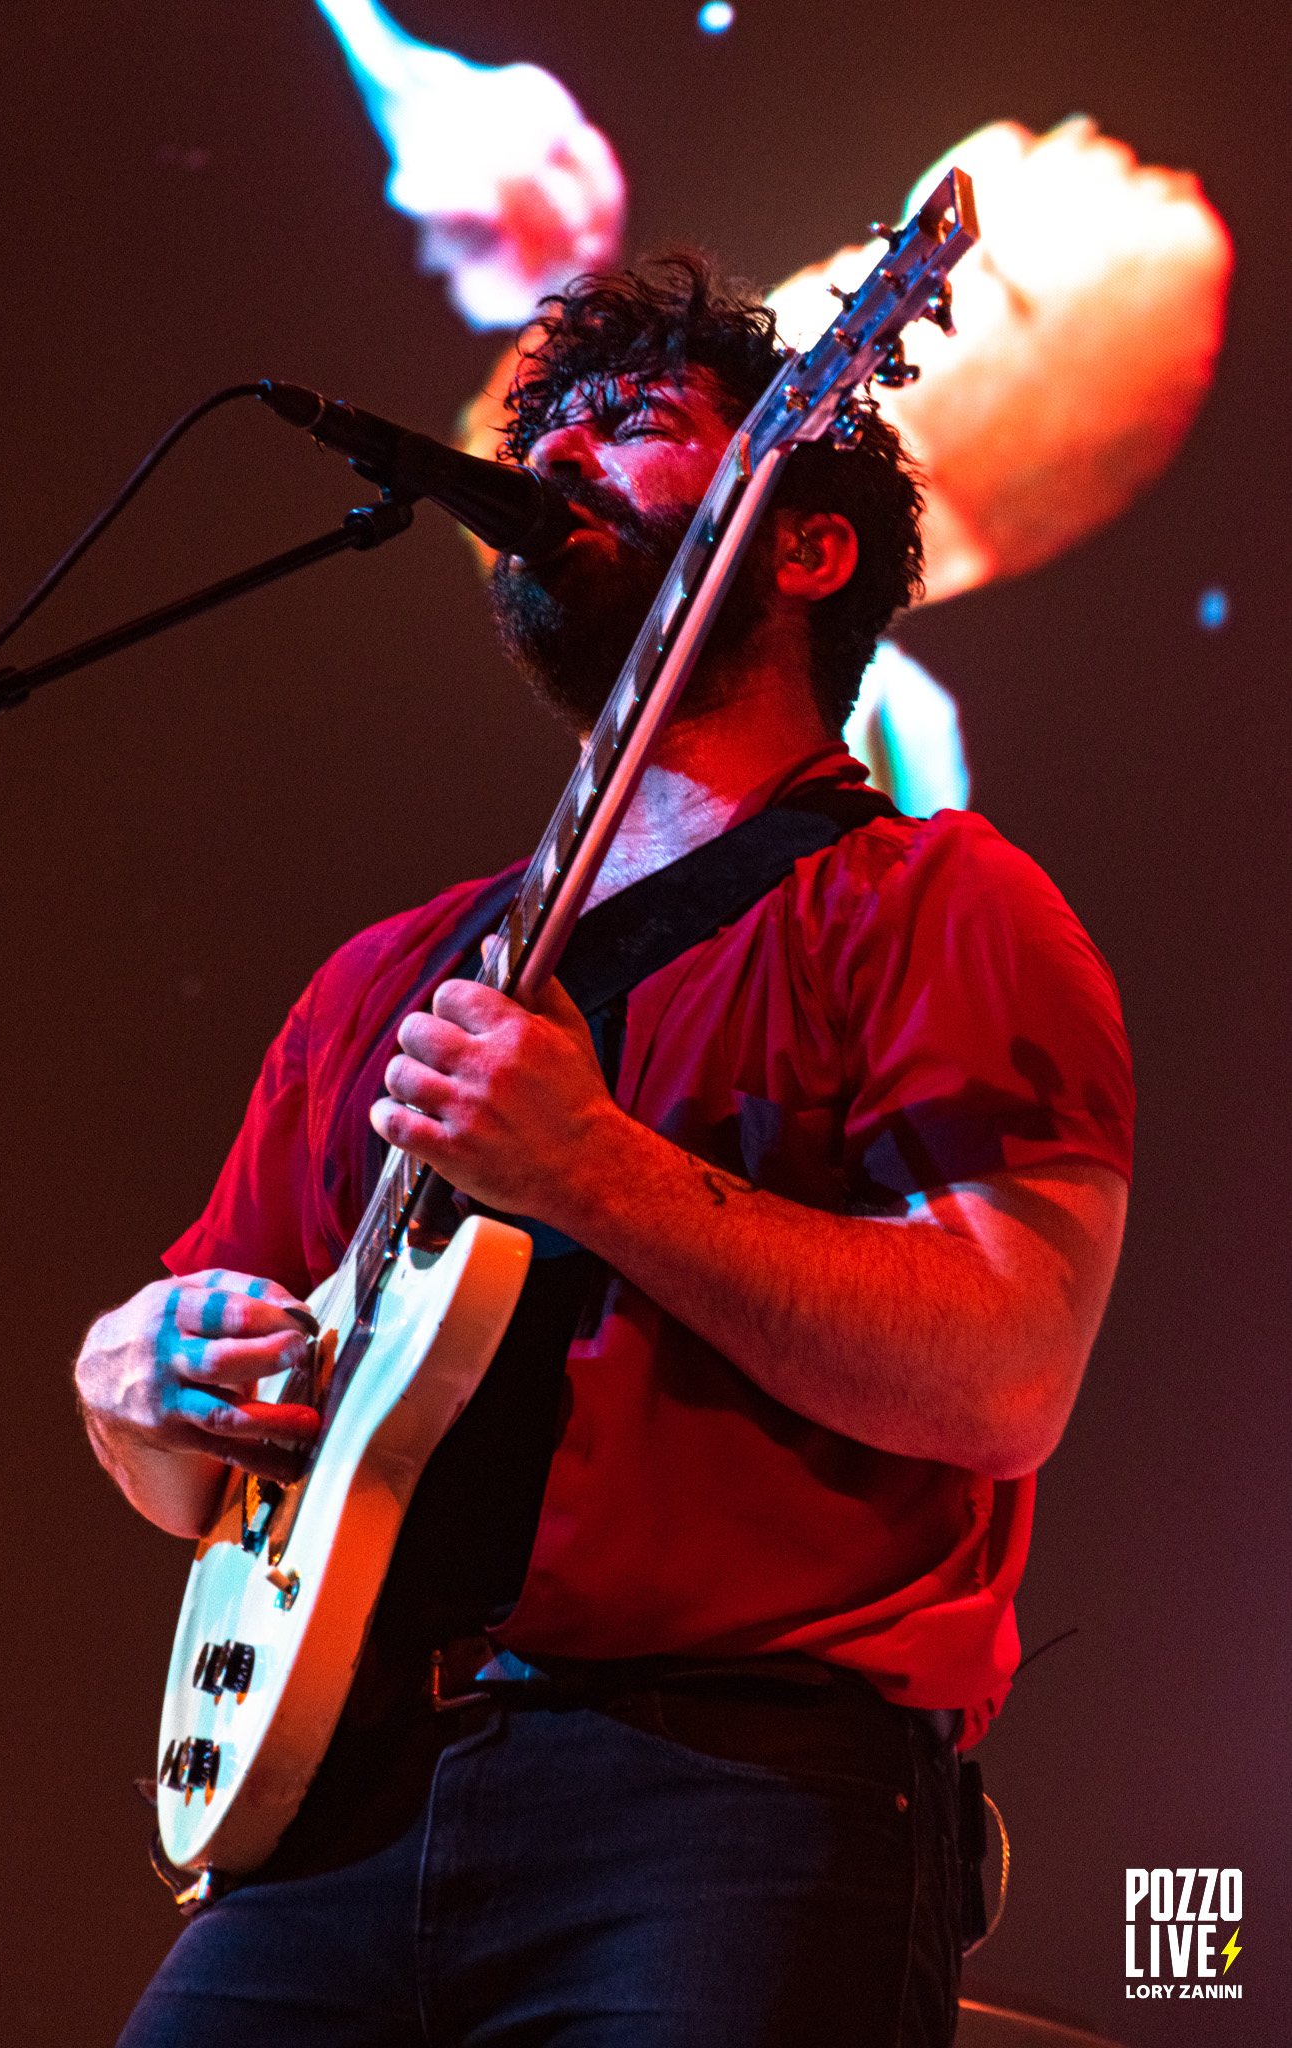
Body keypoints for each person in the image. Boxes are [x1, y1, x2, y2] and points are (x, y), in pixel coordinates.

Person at [76, 255, 1132, 2047]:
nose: (554, 450)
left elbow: (1005, 1370)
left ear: (800, 549)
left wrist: (594, 1171)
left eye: (632, 424)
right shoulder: (381, 978)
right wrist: (135, 1369)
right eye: (541, 421)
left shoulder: (934, 901)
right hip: (333, 1801)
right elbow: (179, 1434)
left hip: (726, 1803)